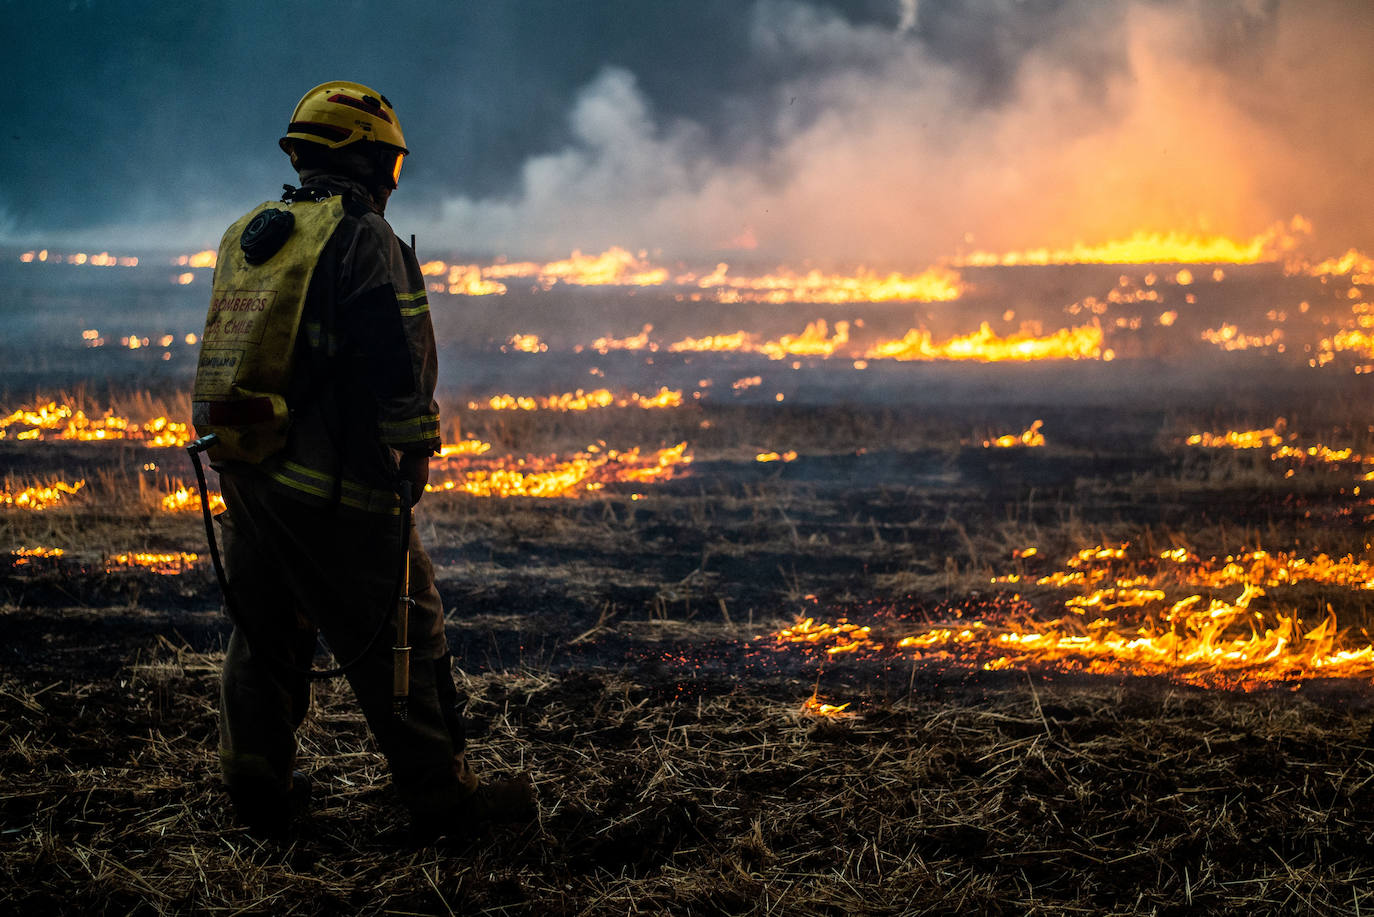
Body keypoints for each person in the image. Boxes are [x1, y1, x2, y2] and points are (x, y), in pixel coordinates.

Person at [193, 80, 534, 839]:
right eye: (391, 163)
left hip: (249, 473)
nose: (391, 180)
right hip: (335, 488)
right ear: (369, 160)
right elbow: (395, 360)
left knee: (265, 629)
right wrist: (413, 453)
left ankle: (256, 787)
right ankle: (445, 800)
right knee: (404, 629)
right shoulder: (362, 238)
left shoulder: (253, 231)